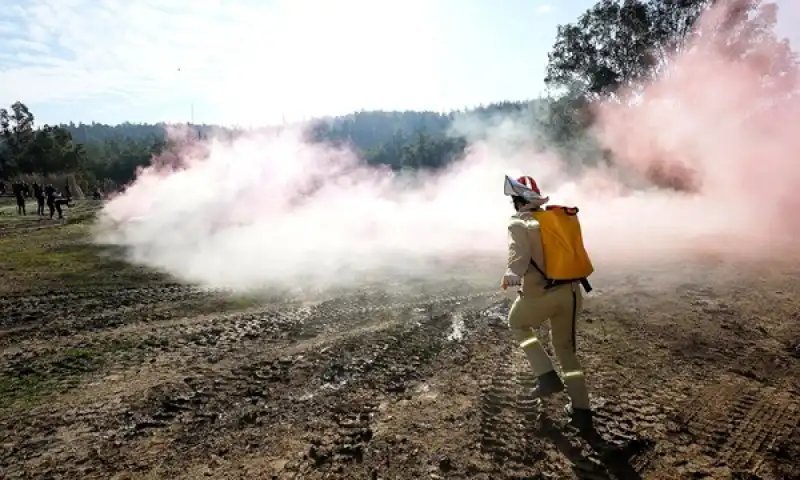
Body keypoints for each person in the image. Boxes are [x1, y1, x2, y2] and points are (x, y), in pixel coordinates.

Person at [500, 174, 594, 431]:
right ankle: (582, 410)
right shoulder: (557, 218)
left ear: (518, 201)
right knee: (566, 350)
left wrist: (513, 274)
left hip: (540, 295)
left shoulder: (520, 222)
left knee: (517, 323)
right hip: (572, 292)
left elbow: (519, 252)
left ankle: (546, 374)